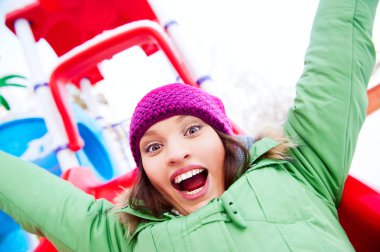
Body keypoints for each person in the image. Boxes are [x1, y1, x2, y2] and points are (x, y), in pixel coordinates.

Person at [0, 0, 378, 250]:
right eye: (153, 147)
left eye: (193, 129)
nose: (177, 152)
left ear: (224, 140)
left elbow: (336, 58)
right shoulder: (130, 241)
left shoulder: (299, 168)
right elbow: (33, 195)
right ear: (146, 175)